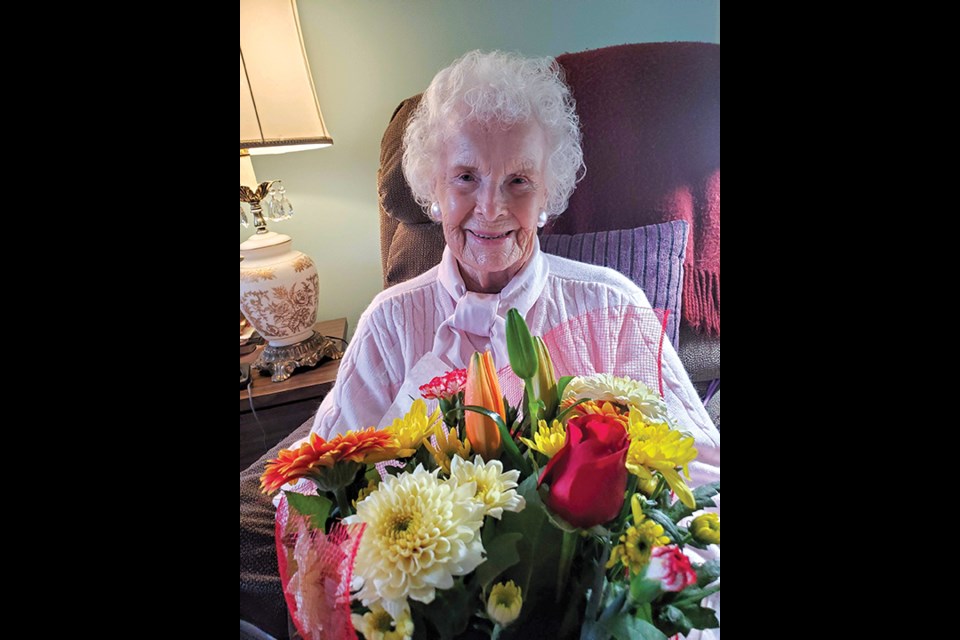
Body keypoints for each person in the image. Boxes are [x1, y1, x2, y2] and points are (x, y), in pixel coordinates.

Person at [241, 49, 719, 639]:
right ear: (434, 191)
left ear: (547, 196)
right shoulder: (391, 322)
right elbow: (316, 493)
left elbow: (702, 473)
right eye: (466, 177)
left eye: (518, 181)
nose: (490, 209)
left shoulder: (614, 307)